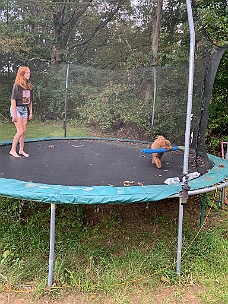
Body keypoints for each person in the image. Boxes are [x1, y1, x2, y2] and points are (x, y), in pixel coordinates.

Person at [9, 66, 33, 157]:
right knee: (20, 131)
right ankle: (12, 150)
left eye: (29, 73)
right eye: (27, 73)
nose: (29, 74)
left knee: (24, 131)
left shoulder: (29, 86)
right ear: (22, 74)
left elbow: (30, 101)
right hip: (17, 109)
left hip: (24, 109)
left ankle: (21, 150)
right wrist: (14, 114)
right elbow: (13, 100)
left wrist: (30, 112)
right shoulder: (17, 85)